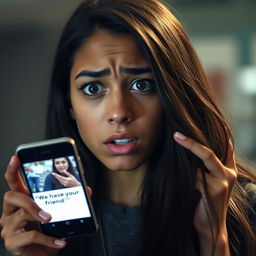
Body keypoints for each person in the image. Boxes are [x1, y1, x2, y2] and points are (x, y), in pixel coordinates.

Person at [1, 0, 256, 255]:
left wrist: (213, 238)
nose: (119, 113)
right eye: (93, 88)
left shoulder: (244, 208)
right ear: (70, 105)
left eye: (141, 85)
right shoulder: (45, 226)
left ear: (172, 94)